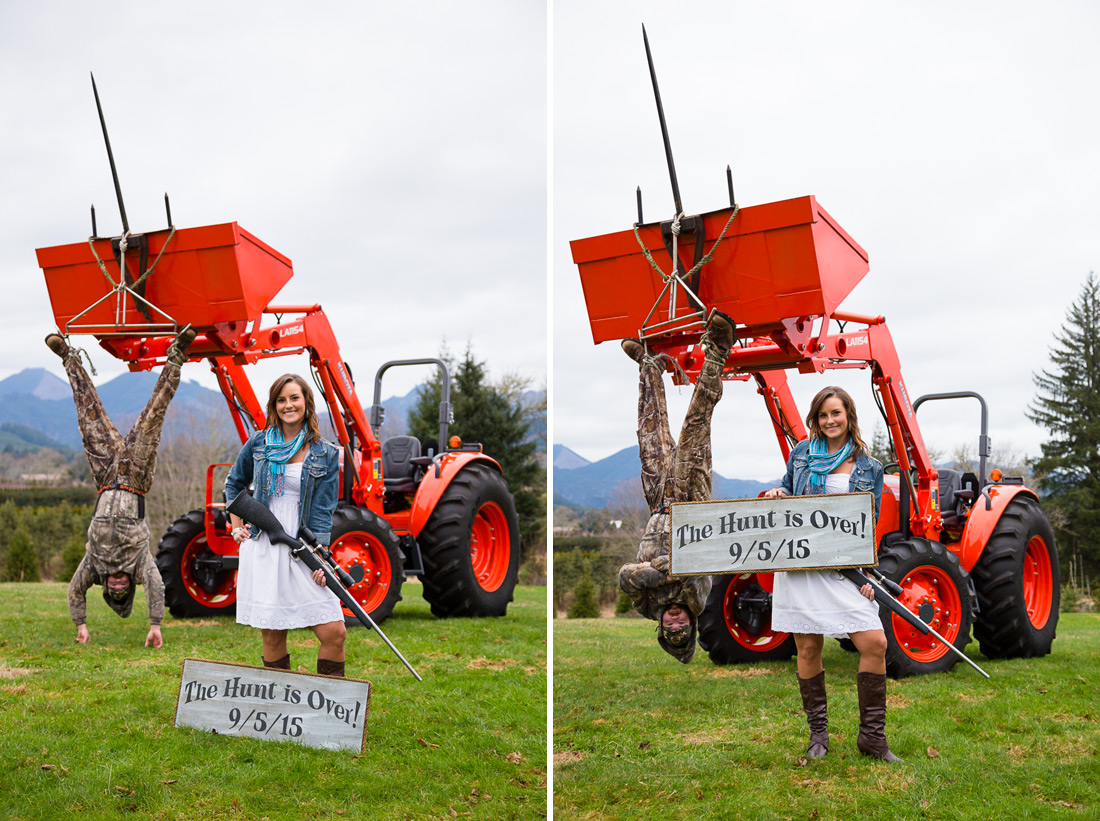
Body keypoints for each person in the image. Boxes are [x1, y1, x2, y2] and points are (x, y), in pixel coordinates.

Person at [763, 386, 900, 763]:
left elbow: (866, 526)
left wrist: (867, 576)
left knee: (874, 643)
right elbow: (790, 493)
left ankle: (872, 737)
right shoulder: (803, 455)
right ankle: (818, 735)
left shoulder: (869, 468)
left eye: (835, 413)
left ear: (848, 415)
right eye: (823, 415)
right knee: (808, 647)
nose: (829, 421)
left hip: (842, 569)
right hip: (801, 566)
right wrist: (779, 494)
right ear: (816, 419)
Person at [48, 325, 197, 647]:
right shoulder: (140, 565)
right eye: (121, 592)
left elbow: (74, 590)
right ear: (130, 586)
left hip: (104, 477)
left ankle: (68, 357)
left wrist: (81, 625)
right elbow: (157, 587)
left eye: (112, 592)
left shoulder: (93, 567)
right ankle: (178, 354)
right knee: (154, 413)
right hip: (135, 478)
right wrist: (155, 625)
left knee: (89, 415)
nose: (116, 587)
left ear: (105, 587)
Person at [618, 311, 735, 663]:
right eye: (680, 624)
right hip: (690, 503)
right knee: (694, 427)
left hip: (657, 503)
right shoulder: (697, 598)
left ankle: (649, 363)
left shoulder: (647, 607)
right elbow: (684, 565)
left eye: (668, 627)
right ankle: (718, 350)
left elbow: (626, 577)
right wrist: (654, 572)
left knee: (648, 432)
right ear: (692, 621)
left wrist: (651, 574)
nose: (673, 620)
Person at [224, 373, 346, 677]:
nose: (288, 405)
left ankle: (330, 708)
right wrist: (237, 527)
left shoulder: (326, 453)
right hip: (264, 543)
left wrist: (321, 556)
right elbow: (234, 485)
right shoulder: (259, 442)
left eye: (294, 398)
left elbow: (322, 510)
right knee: (272, 634)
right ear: (274, 405)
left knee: (334, 631)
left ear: (306, 402)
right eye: (281, 399)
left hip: (302, 544)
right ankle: (280, 708)